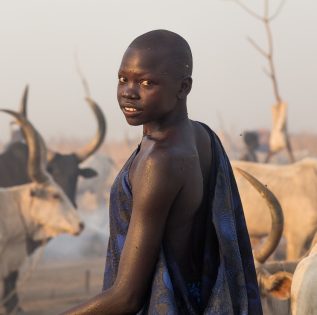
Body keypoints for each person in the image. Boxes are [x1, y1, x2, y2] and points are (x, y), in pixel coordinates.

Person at [59, 30, 262, 315]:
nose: (128, 91)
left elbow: (126, 297)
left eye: (146, 82)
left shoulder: (159, 161)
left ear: (183, 87)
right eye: (122, 79)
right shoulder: (203, 136)